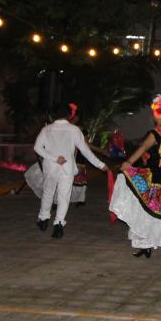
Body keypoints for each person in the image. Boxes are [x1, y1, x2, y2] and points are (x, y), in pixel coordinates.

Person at [109, 94, 161, 259]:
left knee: (147, 208)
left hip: (157, 178)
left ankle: (148, 244)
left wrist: (127, 163)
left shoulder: (155, 133)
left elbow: (141, 150)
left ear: (159, 114)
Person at [32, 102, 109, 239]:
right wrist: (100, 165)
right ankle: (59, 225)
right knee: (63, 196)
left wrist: (54, 158)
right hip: (66, 167)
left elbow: (37, 148)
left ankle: (43, 220)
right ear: (69, 115)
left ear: (54, 115)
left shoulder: (47, 129)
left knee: (48, 192)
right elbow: (85, 151)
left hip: (50, 166)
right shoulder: (74, 130)